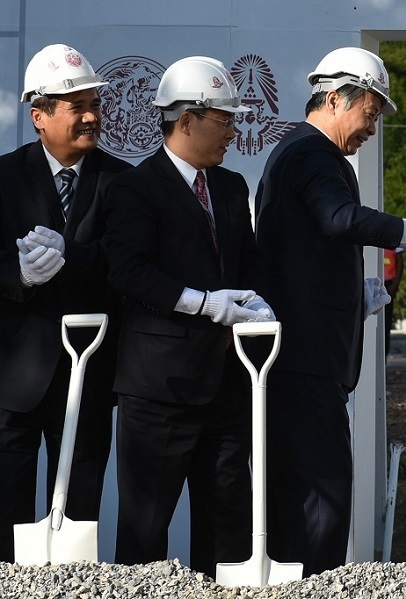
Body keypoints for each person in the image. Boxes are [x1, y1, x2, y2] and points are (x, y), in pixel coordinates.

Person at [254, 46, 406, 575]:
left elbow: (313, 247)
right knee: (321, 498)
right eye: (369, 113)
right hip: (307, 360)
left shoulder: (299, 152)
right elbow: (337, 217)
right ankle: (317, 585)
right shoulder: (313, 154)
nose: (372, 128)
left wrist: (351, 297)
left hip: (302, 356)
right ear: (333, 99)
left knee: (304, 496)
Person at [103, 56, 275, 578]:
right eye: (223, 120)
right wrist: (202, 302)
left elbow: (249, 262)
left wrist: (259, 301)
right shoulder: (135, 187)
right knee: (145, 528)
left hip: (226, 385)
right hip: (160, 389)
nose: (232, 132)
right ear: (186, 121)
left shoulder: (230, 186)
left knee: (229, 525)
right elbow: (128, 271)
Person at [0, 44, 131, 562]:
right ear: (39, 116)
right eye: (77, 107)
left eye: (95, 104)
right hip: (13, 378)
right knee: (5, 511)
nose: (92, 117)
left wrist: (69, 256)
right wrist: (19, 275)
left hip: (89, 373)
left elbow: (126, 264)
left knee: (79, 510)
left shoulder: (122, 182)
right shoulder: (4, 178)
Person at [383, 246, 403, 354]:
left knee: (386, 324)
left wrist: (395, 284)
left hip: (388, 284)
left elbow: (400, 260)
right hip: (370, 280)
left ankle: (384, 356)